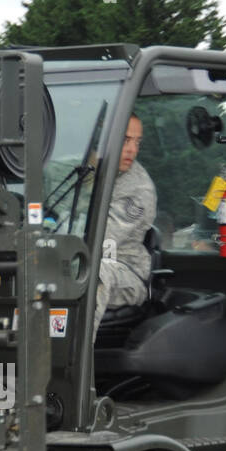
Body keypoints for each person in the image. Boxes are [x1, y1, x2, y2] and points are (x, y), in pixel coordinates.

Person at [93, 113, 157, 339]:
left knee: (93, 274)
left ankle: (72, 367)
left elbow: (99, 239)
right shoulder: (86, 169)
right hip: (81, 259)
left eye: (136, 142)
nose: (132, 150)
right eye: (125, 140)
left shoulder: (139, 189)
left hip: (125, 271)